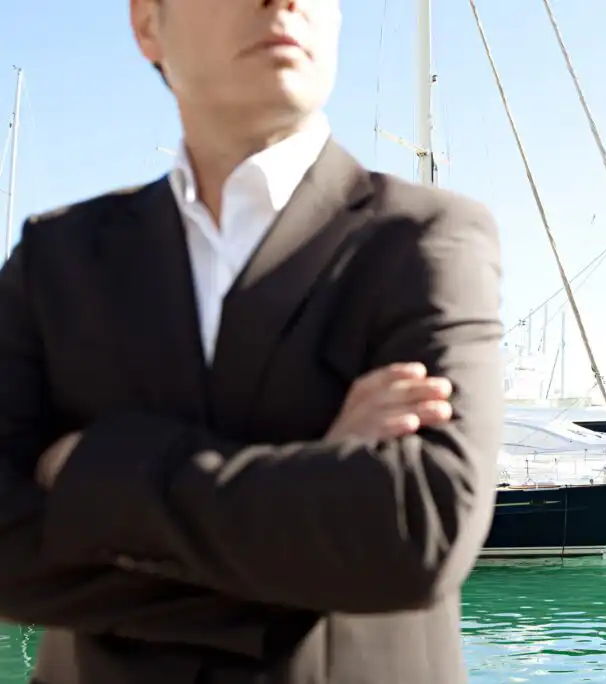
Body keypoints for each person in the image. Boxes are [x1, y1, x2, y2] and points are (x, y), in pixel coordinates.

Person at [0, 0, 503, 682]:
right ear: (148, 23)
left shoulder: (426, 239)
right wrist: (319, 483)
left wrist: (92, 468)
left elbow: (415, 531)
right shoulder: (55, 258)